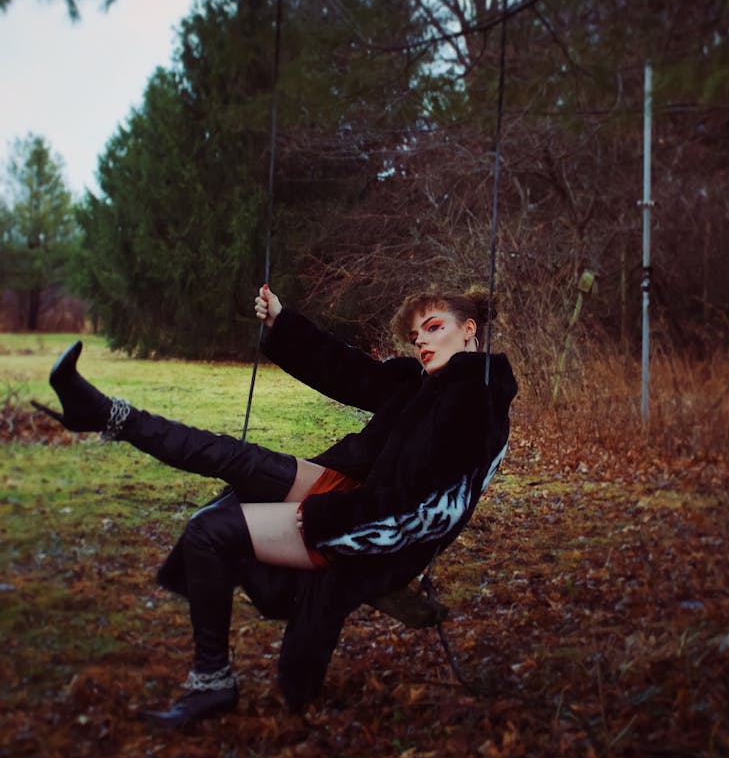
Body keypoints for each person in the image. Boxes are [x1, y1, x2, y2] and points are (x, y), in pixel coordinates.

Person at [33, 285, 517, 726]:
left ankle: (211, 684)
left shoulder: (476, 399)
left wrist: (329, 520)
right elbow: (348, 372)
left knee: (209, 531)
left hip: (369, 526)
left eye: (434, 329)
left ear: (469, 329)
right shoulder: (421, 381)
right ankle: (105, 413)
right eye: (416, 336)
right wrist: (283, 323)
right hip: (350, 492)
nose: (422, 343)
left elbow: (427, 507)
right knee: (232, 456)